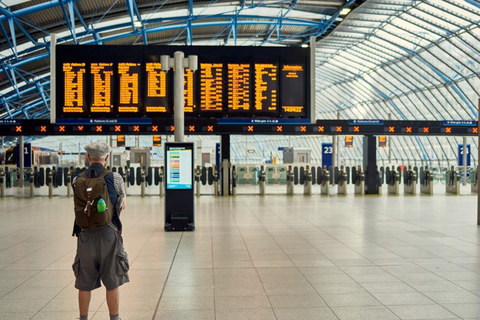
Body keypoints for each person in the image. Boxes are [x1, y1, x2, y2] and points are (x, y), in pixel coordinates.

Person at [72, 141, 128, 320]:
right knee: (112, 281)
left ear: (88, 157)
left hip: (85, 235)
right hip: (108, 234)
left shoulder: (77, 179)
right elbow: (122, 205)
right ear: (107, 157)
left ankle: (83, 318)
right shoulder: (115, 178)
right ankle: (114, 318)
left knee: (84, 282)